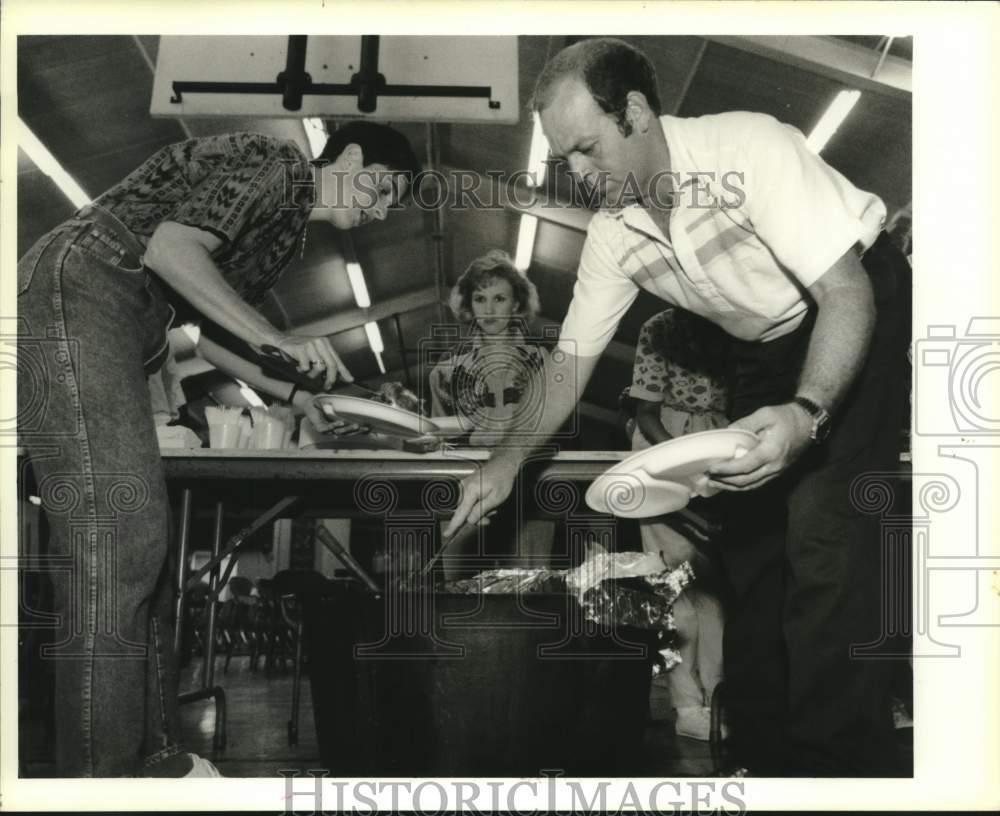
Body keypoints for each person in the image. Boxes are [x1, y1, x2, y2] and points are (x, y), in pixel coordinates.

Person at [445, 38, 911, 776]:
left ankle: (838, 772)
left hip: (855, 308)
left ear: (634, 111)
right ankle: (761, 763)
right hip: (763, 348)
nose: (581, 176)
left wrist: (807, 413)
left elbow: (846, 293)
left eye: (589, 150)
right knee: (752, 553)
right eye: (565, 161)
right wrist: (502, 467)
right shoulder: (612, 235)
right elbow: (568, 365)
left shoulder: (748, 148)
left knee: (828, 540)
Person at [16, 121, 421, 777]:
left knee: (147, 550)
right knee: (119, 542)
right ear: (346, 155)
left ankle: (156, 758)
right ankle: (101, 778)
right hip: (84, 286)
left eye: (388, 206)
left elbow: (209, 336)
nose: (377, 209)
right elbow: (173, 252)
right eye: (380, 187)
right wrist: (280, 341)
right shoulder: (279, 164)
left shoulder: (285, 235)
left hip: (126, 318)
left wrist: (298, 401)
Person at [628, 308, 728, 741]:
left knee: (717, 595)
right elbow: (645, 412)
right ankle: (686, 705)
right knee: (675, 592)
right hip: (661, 448)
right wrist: (684, 462)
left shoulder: (735, 319)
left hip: (722, 446)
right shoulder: (658, 327)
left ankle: (718, 700)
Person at [429, 250, 549, 577]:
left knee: (529, 591)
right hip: (468, 484)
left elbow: (552, 429)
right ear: (469, 306)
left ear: (517, 305)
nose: (490, 309)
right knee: (459, 590)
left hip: (528, 486)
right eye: (480, 299)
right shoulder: (446, 371)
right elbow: (439, 442)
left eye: (499, 298)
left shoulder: (542, 363)